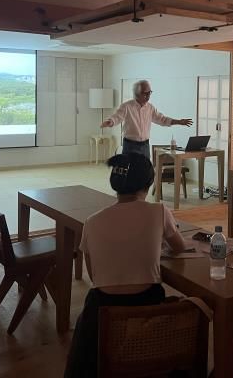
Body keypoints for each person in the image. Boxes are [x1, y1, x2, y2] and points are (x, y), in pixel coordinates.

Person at [64, 153, 186, 378]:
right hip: (147, 307)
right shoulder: (159, 211)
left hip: (101, 312)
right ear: (148, 184)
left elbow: (95, 277)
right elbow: (179, 247)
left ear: (115, 184)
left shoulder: (92, 222)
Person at [100, 80, 193, 159]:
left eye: (150, 92)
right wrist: (110, 121)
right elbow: (117, 117)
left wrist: (179, 122)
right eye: (145, 93)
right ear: (137, 94)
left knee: (145, 174)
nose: (148, 96)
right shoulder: (127, 106)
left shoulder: (150, 108)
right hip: (130, 146)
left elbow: (162, 119)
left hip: (145, 146)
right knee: (130, 174)